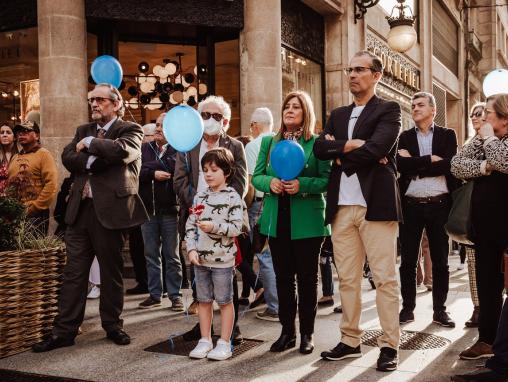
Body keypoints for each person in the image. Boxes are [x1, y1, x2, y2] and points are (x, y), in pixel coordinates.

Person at [32, 83, 147, 352]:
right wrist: (93, 158)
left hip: (111, 213)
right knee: (74, 273)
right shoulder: (82, 130)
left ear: (116, 104)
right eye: (91, 100)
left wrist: (92, 145)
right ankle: (64, 332)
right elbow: (68, 157)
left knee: (111, 272)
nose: (94, 104)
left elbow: (122, 152)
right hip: (79, 212)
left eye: (100, 100)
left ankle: (112, 325)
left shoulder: (130, 130)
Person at [314, 50, 402, 371]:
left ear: (376, 75)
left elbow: (379, 148)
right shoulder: (337, 114)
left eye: (360, 70)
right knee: (347, 280)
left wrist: (341, 152)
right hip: (341, 207)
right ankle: (350, 340)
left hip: (375, 206)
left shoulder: (388, 109)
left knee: (384, 280)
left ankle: (390, 345)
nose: (352, 74)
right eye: (349, 69)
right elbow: (319, 149)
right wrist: (350, 146)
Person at [252, 90, 331, 355]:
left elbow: (327, 179)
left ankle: (307, 334)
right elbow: (257, 176)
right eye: (287, 106)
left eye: (296, 107)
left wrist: (303, 185)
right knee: (283, 279)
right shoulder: (268, 142)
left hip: (307, 221)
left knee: (308, 280)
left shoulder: (316, 144)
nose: (289, 110)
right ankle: (287, 332)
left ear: (305, 112)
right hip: (276, 220)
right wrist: (270, 183)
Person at [174, 95, 247, 343]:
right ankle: (203, 327)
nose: (211, 120)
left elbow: (241, 182)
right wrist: (199, 204)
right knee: (199, 275)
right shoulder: (188, 145)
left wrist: (222, 206)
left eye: (216, 116)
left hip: (224, 222)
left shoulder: (234, 146)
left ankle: (232, 327)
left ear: (224, 121)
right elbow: (180, 180)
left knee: (226, 274)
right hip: (195, 219)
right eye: (206, 115)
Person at [451, 93, 508, 360]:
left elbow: (505, 162)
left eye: (489, 113)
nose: (483, 117)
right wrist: (485, 166)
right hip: (484, 224)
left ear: (505, 118)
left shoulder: (489, 138)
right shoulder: (479, 140)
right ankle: (487, 339)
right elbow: (456, 165)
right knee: (487, 284)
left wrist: (488, 139)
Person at [397, 91, 459, 328]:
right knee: (408, 261)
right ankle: (407, 308)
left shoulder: (447, 135)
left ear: (433, 110)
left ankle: (440, 310)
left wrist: (416, 163)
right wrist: (429, 161)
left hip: (440, 205)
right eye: (413, 105)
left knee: (441, 261)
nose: (415, 108)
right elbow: (401, 165)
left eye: (420, 105)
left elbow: (450, 165)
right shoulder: (404, 137)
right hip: (411, 206)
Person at [186, 148, 243, 361]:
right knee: (204, 300)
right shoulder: (200, 196)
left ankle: (225, 342)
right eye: (205, 170)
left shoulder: (233, 197)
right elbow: (190, 225)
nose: (208, 174)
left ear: (226, 171)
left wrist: (214, 227)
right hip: (200, 261)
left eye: (214, 169)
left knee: (225, 301)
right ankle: (205, 339)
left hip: (223, 261)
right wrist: (191, 248)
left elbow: (237, 227)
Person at [138, 113, 183, 311]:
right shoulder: (144, 148)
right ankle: (155, 294)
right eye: (156, 124)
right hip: (148, 210)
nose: (157, 128)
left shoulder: (179, 149)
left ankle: (175, 296)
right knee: (150, 254)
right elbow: (137, 171)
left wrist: (152, 168)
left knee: (171, 255)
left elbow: (175, 168)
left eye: (162, 126)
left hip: (170, 211)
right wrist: (153, 173)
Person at [245, 107, 279, 321]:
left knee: (264, 255)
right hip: (279, 202)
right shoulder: (279, 141)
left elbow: (249, 182)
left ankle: (274, 306)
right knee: (277, 255)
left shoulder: (253, 145)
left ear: (256, 125)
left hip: (259, 205)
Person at [8, 120, 58, 235]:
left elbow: (51, 184)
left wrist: (34, 208)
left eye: (26, 131)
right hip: (14, 214)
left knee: (33, 252)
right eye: (19, 132)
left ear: (37, 135)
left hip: (35, 215)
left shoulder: (44, 154)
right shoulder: (15, 157)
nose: (21, 134)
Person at [0, 123, 18, 195]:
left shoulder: (21, 154)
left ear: (14, 137)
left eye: (8, 132)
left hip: (16, 197)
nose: (4, 135)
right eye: (2, 133)